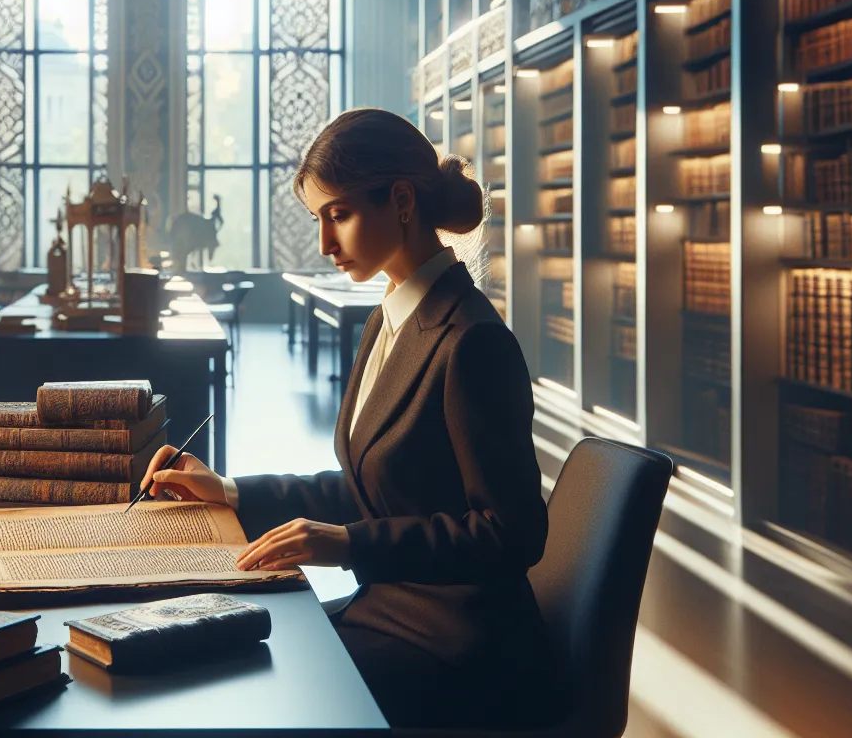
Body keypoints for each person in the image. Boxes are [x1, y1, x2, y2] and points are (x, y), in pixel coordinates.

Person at [138, 108, 560, 729]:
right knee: (222, 667)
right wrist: (226, 491)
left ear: (402, 200)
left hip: (460, 646)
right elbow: (380, 488)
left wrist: (347, 543)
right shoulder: (388, 318)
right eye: (318, 219)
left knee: (249, 695)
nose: (324, 244)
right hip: (389, 611)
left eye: (338, 216)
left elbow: (511, 532)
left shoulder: (472, 341)